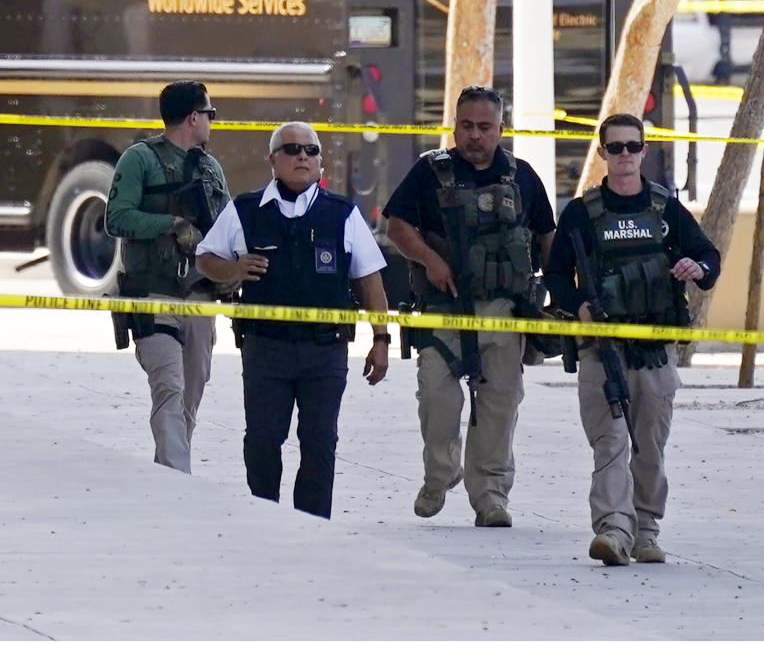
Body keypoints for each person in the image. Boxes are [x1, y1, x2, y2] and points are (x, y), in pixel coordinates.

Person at [545, 113, 720, 566]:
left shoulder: (665, 209)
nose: (624, 155)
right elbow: (557, 274)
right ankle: (613, 530)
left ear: (644, 151)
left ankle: (646, 530)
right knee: (610, 440)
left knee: (649, 444)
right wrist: (579, 307)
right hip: (603, 349)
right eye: (615, 147)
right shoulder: (582, 213)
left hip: (655, 351)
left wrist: (697, 268)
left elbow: (707, 255)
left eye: (632, 146)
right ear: (602, 152)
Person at [195, 121, 389, 519]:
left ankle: (313, 527)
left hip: (326, 351)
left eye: (311, 150)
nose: (303, 156)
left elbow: (369, 279)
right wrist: (233, 268)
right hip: (266, 349)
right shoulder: (245, 211)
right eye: (292, 149)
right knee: (263, 441)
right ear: (272, 160)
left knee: (320, 444)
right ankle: (264, 519)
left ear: (320, 162)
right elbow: (204, 257)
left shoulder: (343, 214)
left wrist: (382, 338)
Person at [384, 85, 556, 528]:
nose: (474, 136)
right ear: (454, 125)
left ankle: (491, 497)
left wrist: (559, 302)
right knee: (437, 396)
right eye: (466, 126)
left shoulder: (523, 177)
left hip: (504, 308)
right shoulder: (430, 172)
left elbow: (546, 238)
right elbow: (398, 224)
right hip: (444, 307)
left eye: (484, 127)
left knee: (500, 404)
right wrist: (430, 259)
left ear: (501, 129)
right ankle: (440, 474)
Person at [106, 80, 231, 474]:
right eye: (209, 114)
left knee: (189, 396)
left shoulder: (210, 168)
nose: (212, 122)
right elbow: (116, 218)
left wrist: (232, 270)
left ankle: (168, 473)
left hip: (199, 295)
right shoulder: (139, 159)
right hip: (152, 293)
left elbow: (229, 227)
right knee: (169, 386)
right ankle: (179, 478)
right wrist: (171, 224)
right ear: (194, 117)